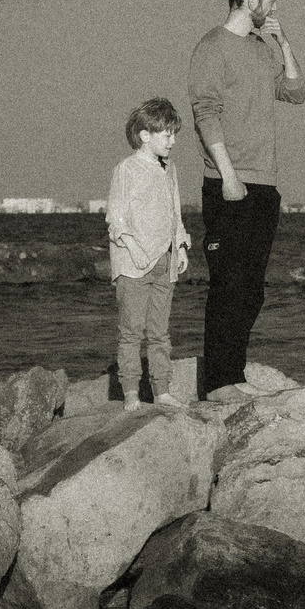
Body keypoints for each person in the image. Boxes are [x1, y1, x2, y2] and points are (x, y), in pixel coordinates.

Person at [186, 0, 304, 395]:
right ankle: (219, 383)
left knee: (252, 290)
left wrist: (282, 40)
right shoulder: (211, 47)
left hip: (265, 184)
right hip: (228, 184)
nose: (275, 6)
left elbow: (295, 91)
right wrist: (228, 175)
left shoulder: (260, 47)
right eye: (271, 0)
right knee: (228, 287)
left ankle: (233, 374)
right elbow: (205, 114)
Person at [106, 97, 191, 409]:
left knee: (160, 332)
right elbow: (115, 219)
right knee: (131, 332)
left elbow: (175, 213)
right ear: (145, 135)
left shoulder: (169, 170)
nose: (173, 140)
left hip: (165, 262)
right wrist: (135, 249)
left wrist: (180, 246)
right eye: (166, 134)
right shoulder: (126, 170)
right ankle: (130, 392)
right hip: (132, 265)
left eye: (174, 134)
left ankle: (162, 389)